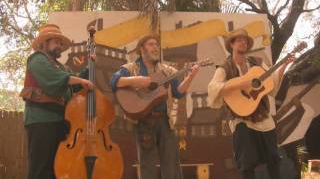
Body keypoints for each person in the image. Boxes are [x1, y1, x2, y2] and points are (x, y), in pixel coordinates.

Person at [110, 35, 199, 179]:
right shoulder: (131, 68)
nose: (155, 47)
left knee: (171, 165)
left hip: (165, 120)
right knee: (147, 166)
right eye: (151, 44)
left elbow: (178, 92)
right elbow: (114, 81)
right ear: (142, 49)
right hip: (144, 122)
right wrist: (137, 80)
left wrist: (191, 76)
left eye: (156, 45)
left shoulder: (167, 70)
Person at [207, 29, 292, 179]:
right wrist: (241, 83)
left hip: (263, 116)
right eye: (239, 40)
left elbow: (271, 83)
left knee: (273, 157)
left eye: (245, 41)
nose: (243, 43)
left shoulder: (257, 63)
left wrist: (284, 66)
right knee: (246, 162)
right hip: (241, 119)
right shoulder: (225, 67)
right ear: (231, 44)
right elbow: (213, 88)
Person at [20, 24, 94, 179]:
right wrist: (78, 79)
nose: (60, 46)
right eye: (56, 42)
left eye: (61, 43)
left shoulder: (61, 66)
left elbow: (74, 84)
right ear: (44, 43)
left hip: (58, 122)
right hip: (41, 120)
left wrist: (89, 68)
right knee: (40, 170)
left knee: (56, 169)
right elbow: (56, 80)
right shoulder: (37, 59)